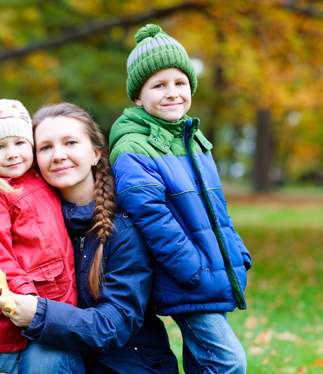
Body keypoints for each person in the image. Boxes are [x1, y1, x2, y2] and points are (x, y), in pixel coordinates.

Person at [0, 102, 178, 374]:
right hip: (67, 356)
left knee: (44, 359)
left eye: (70, 142)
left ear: (96, 153)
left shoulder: (124, 226)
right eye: (46, 147)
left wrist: (38, 314)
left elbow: (115, 324)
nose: (58, 155)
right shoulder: (28, 217)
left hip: (125, 364)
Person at [108, 24, 252, 374]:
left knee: (203, 362)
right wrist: (192, 270)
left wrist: (237, 250)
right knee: (229, 363)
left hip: (206, 269)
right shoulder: (134, 147)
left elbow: (215, 209)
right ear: (139, 97)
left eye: (180, 83)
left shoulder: (192, 139)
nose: (172, 93)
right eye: (159, 85)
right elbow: (152, 218)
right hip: (185, 275)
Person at [0, 99, 83, 374]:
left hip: (50, 305)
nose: (12, 154)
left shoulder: (40, 179)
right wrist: (24, 298)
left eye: (19, 143)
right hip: (14, 323)